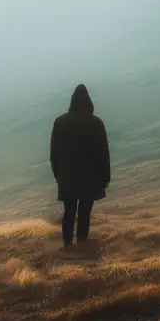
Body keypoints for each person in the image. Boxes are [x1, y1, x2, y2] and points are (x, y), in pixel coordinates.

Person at [50, 84, 111, 247]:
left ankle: (67, 246)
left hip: (67, 177)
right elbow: (103, 153)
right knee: (84, 212)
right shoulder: (96, 123)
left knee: (69, 212)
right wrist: (106, 176)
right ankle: (82, 244)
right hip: (89, 178)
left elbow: (54, 153)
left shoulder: (60, 122)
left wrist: (57, 174)